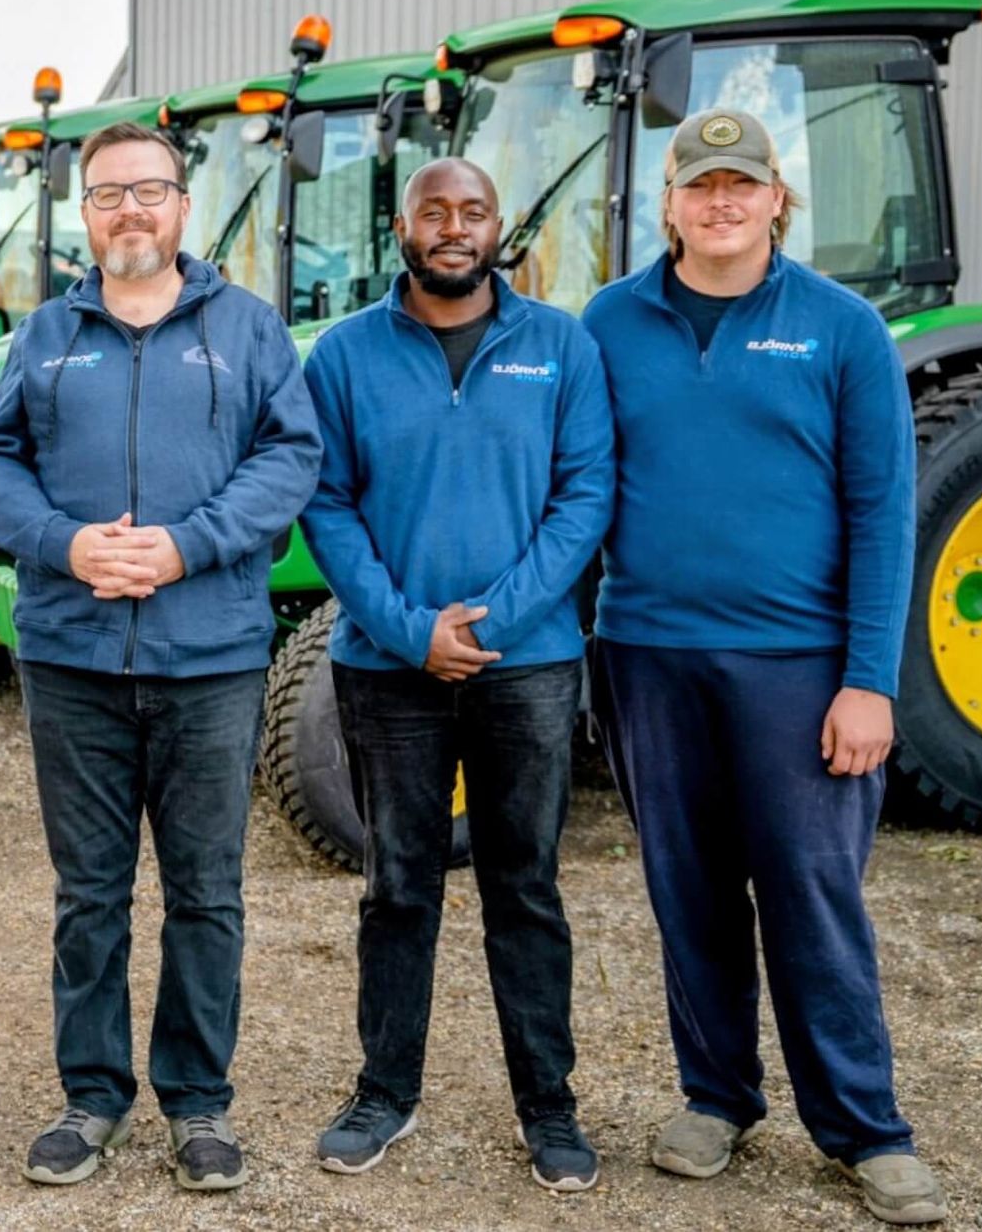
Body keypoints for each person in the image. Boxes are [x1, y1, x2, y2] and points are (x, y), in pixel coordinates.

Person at [581, 108, 943, 1225]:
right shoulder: (609, 321)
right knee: (687, 890)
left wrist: (870, 678)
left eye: (744, 185)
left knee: (811, 893)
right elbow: (578, 484)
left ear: (777, 198)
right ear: (671, 203)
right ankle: (717, 1096)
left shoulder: (842, 329)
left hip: (799, 668)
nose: (723, 203)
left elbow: (884, 512)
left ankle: (864, 1128)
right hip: (648, 658)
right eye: (702, 186)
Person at [0, 121, 321, 1192]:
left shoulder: (249, 330)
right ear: (86, 214)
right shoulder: (44, 337)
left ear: (182, 206)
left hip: (209, 656)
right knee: (91, 890)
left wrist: (185, 545)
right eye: (109, 194)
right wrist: (65, 543)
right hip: (72, 658)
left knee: (207, 890)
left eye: (149, 191)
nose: (130, 211)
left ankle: (200, 1102)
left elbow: (290, 455)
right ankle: (92, 1094)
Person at [299, 159, 615, 1192]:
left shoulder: (559, 346)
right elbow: (327, 503)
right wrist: (404, 627)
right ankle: (384, 1091)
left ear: (497, 226)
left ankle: (549, 1107)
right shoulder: (345, 354)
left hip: (527, 668)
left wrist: (499, 617)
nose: (452, 227)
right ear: (403, 224)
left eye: (471, 211)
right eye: (434, 210)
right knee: (398, 885)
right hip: (386, 669)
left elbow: (585, 494)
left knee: (525, 884)